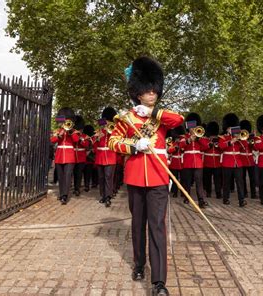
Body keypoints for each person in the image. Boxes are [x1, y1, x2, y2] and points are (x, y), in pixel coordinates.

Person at [109, 56, 183, 296]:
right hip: (134, 178)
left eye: (154, 90)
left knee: (158, 228)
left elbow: (179, 120)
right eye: (147, 91)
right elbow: (113, 142)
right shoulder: (125, 118)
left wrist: (154, 112)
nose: (152, 94)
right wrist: (133, 145)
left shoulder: (160, 116)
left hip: (159, 177)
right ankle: (139, 265)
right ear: (137, 93)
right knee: (138, 225)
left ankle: (159, 281)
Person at [179, 113, 210, 208]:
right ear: (188, 127)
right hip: (188, 161)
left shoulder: (200, 136)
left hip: (198, 161)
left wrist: (198, 138)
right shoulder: (183, 137)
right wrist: (189, 139)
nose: (192, 129)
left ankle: (201, 200)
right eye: (191, 127)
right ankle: (186, 198)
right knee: (187, 181)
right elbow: (181, 146)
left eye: (194, 127)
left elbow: (206, 147)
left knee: (199, 181)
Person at [50, 108, 79, 205]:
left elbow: (76, 140)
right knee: (61, 176)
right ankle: (61, 193)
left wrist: (70, 132)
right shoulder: (58, 130)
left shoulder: (74, 131)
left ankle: (65, 196)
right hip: (59, 156)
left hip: (70, 156)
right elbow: (52, 140)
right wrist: (59, 135)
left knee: (67, 176)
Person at [218, 113, 246, 207]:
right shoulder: (222, 138)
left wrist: (240, 139)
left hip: (237, 163)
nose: (232, 129)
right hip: (227, 163)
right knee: (226, 182)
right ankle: (226, 199)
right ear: (227, 128)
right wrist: (231, 141)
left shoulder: (239, 138)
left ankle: (241, 200)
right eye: (230, 128)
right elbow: (221, 147)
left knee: (240, 182)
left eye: (233, 128)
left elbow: (244, 148)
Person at [93, 107, 118, 207]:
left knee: (108, 177)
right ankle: (102, 196)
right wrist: (98, 138)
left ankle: (108, 197)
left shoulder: (114, 130)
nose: (106, 122)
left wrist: (110, 132)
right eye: (105, 120)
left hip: (110, 156)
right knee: (101, 177)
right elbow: (95, 146)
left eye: (108, 120)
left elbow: (116, 142)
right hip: (100, 157)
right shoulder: (100, 130)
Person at [203, 121, 222, 199]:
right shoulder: (205, 140)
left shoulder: (220, 139)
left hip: (217, 162)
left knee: (218, 179)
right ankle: (208, 192)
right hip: (208, 162)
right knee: (208, 179)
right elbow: (203, 148)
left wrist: (218, 145)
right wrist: (210, 144)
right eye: (211, 135)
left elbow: (222, 149)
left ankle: (218, 192)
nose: (213, 136)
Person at [239, 119, 257, 199]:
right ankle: (244, 193)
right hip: (242, 159)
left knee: (252, 178)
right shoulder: (239, 138)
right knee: (242, 178)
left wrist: (252, 141)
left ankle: (253, 194)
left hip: (250, 159)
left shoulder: (251, 137)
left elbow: (255, 148)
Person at [73, 115, 90, 196]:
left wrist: (80, 140)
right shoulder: (73, 134)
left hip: (81, 158)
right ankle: (75, 187)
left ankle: (77, 188)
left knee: (79, 173)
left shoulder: (85, 136)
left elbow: (86, 145)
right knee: (74, 173)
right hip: (73, 157)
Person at [167, 125, 185, 198]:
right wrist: (175, 147)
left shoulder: (183, 140)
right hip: (174, 162)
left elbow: (184, 148)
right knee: (174, 179)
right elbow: (169, 150)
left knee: (183, 179)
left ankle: (183, 192)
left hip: (182, 162)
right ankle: (175, 192)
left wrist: (180, 145)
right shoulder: (170, 141)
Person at [82, 124, 96, 192]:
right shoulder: (91, 138)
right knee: (91, 172)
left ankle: (87, 185)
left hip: (89, 157)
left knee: (86, 173)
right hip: (90, 158)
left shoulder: (87, 138)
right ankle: (93, 183)